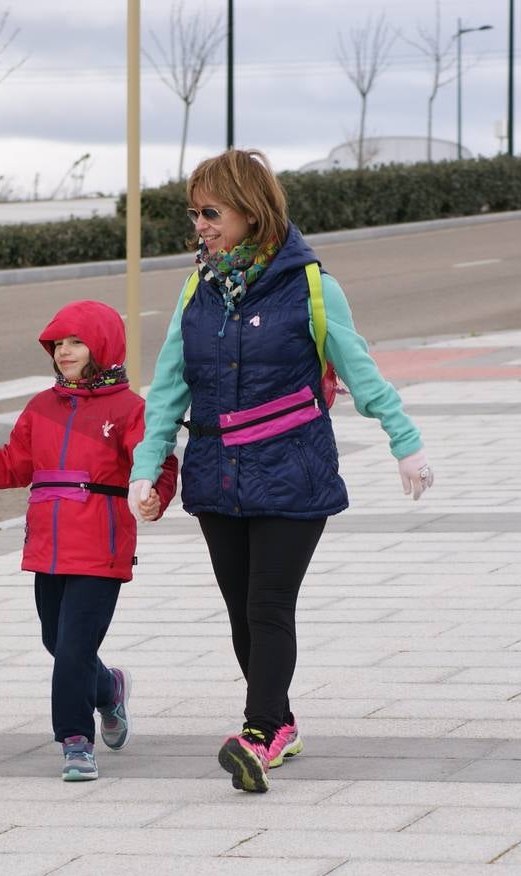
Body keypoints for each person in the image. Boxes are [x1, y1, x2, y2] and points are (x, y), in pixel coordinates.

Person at [127, 149, 432, 794]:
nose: (201, 225)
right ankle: (282, 721)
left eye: (212, 212)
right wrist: (147, 467)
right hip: (217, 474)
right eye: (195, 213)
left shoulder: (311, 285)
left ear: (250, 208)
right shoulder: (198, 287)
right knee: (241, 612)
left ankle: (259, 732)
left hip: (293, 470)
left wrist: (404, 441)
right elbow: (168, 387)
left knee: (268, 604)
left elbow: (358, 367)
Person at [0, 300, 178, 781]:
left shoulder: (130, 410)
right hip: (48, 546)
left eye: (75, 341)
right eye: (58, 344)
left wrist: (154, 494)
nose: (63, 352)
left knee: (73, 649)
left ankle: (75, 741)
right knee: (57, 640)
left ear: (103, 346)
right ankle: (109, 690)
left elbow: (159, 461)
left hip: (101, 545)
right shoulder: (40, 408)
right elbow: (12, 465)